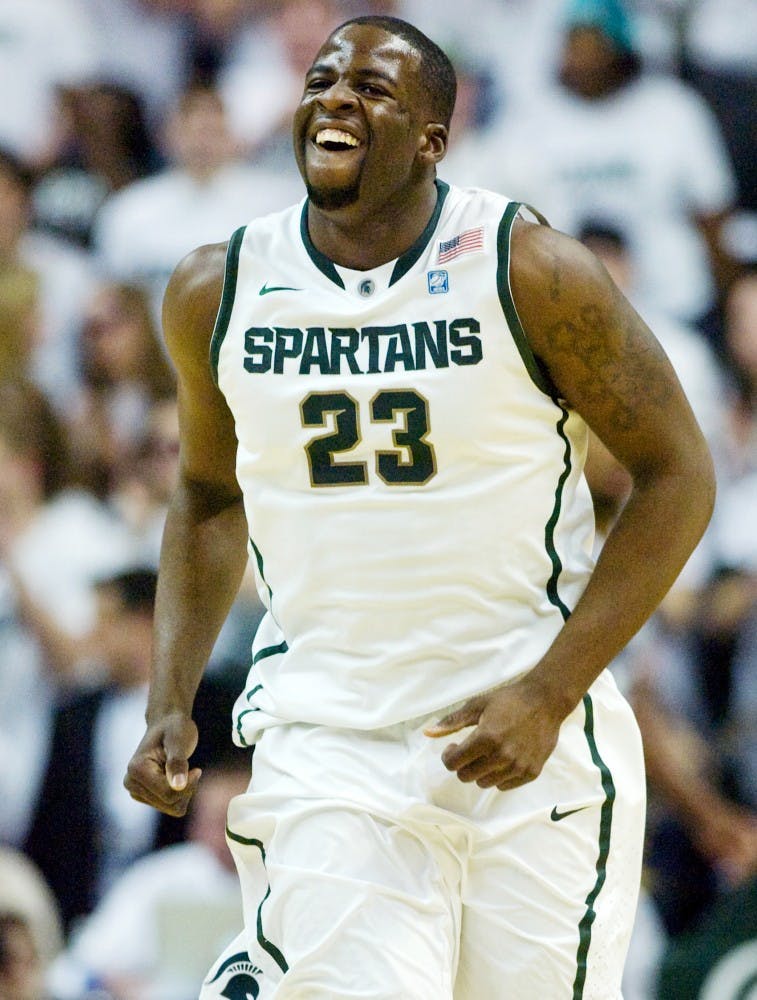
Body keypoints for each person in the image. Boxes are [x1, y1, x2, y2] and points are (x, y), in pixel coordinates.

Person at [124, 15, 715, 998]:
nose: (335, 99)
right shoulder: (214, 289)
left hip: (524, 734)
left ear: (432, 138)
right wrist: (168, 699)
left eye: (371, 88)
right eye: (322, 80)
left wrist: (551, 690)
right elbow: (207, 494)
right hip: (328, 738)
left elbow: (679, 474)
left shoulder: (530, 270)